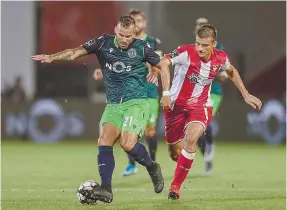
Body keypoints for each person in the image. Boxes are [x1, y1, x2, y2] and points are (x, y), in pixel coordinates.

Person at [32, 16, 171, 203]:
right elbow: (74, 52)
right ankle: (106, 189)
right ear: (115, 29)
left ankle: (152, 167)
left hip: (136, 102)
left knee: (127, 144)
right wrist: (51, 57)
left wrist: (167, 92)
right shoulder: (102, 43)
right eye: (121, 34)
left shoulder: (141, 47)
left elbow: (162, 64)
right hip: (113, 104)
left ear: (134, 34)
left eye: (128, 36)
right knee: (104, 140)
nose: (124, 39)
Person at [162, 24, 262, 200]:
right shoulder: (185, 52)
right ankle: (183, 164)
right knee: (173, 152)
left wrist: (245, 94)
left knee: (191, 138)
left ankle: (175, 187)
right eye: (198, 43)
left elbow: (231, 71)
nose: (200, 48)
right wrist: (166, 93)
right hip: (174, 108)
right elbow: (164, 62)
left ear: (214, 44)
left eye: (205, 45)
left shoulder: (220, 58)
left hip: (200, 107)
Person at [94, 9, 162, 176]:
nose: (137, 24)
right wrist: (103, 72)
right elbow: (119, 66)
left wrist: (153, 71)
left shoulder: (151, 42)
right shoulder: (120, 43)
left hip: (149, 93)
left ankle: (151, 162)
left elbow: (158, 65)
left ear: (143, 23)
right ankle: (132, 164)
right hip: (126, 94)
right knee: (125, 132)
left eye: (139, 21)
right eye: (134, 21)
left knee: (150, 132)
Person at [195, 17, 228, 174]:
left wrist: (221, 74)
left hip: (212, 92)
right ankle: (207, 158)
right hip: (194, 93)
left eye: (203, 26)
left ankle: (210, 148)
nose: (199, 28)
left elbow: (225, 74)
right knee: (195, 131)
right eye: (198, 26)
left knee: (204, 124)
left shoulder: (218, 49)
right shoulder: (192, 48)